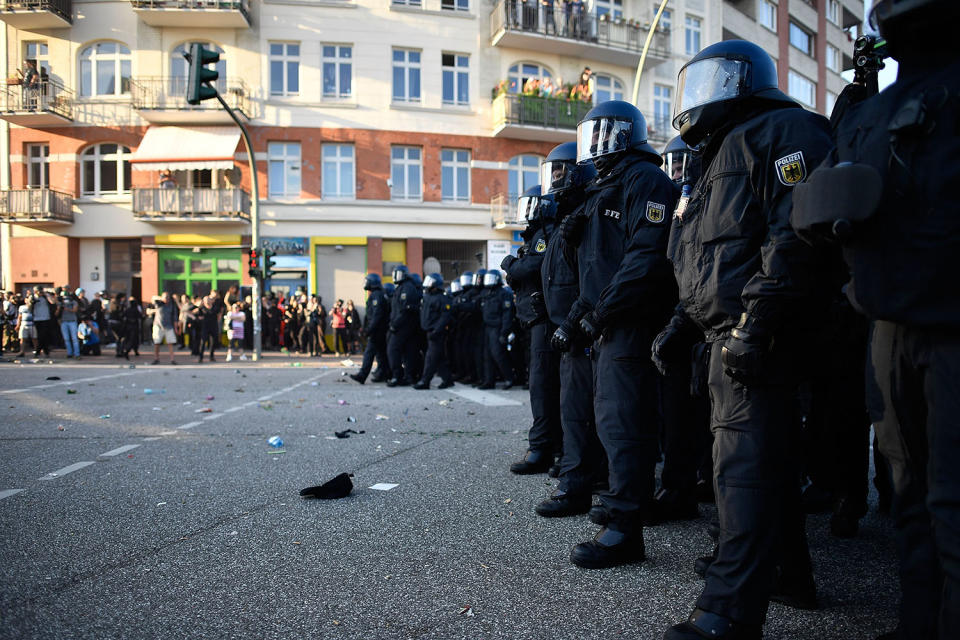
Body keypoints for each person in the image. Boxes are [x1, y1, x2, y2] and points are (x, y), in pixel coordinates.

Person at [790, 1, 960, 635]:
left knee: (948, 505)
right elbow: (829, 201)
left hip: (948, 333)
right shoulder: (871, 110)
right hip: (888, 327)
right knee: (911, 501)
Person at [661, 40, 834, 639]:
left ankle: (728, 613)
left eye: (712, 80)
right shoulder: (714, 156)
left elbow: (795, 237)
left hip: (761, 337)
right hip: (728, 337)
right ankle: (788, 573)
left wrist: (753, 326)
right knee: (763, 466)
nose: (698, 97)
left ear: (744, 80)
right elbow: (707, 261)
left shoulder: (782, 130)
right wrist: (682, 324)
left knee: (743, 472)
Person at [552, 100, 678, 570]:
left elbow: (643, 259)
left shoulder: (647, 181)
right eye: (591, 135)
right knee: (609, 420)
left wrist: (598, 314)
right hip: (608, 321)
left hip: (631, 322)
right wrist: (577, 316)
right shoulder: (604, 189)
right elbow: (596, 273)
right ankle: (622, 503)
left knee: (624, 424)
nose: (597, 145)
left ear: (628, 135)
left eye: (606, 133)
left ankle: (626, 530)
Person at [533, 141, 607, 519]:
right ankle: (583, 474)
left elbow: (592, 276)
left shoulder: (586, 213)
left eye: (562, 170)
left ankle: (576, 485)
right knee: (575, 410)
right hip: (568, 331)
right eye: (553, 171)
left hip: (580, 331)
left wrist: (574, 320)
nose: (556, 178)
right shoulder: (569, 214)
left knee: (579, 412)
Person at [504, 185, 562, 475]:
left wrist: (511, 264)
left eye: (532, 205)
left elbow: (527, 270)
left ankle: (543, 448)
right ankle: (551, 447)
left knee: (543, 386)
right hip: (533, 319)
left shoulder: (546, 234)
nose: (527, 212)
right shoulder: (535, 236)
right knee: (543, 385)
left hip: (544, 319)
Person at [413, 273, 455, 390]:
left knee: (430, 358)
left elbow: (445, 317)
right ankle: (448, 380)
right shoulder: (427, 297)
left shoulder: (443, 298)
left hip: (436, 333)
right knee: (439, 358)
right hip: (429, 332)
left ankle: (425, 381)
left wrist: (437, 330)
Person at [351, 274, 391, 384]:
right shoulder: (378, 294)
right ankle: (385, 374)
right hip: (380, 330)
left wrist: (368, 330)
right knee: (381, 354)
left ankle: (362, 375)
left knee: (369, 353)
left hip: (377, 330)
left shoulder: (376, 296)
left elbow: (376, 315)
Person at [478, 269, 514, 390]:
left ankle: (509, 378)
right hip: (487, 328)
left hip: (497, 328)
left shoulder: (503, 293)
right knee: (487, 355)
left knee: (498, 354)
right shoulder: (486, 293)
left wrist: (504, 332)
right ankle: (489, 381)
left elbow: (507, 315)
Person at [386, 265, 422, 387]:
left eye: (397, 273)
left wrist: (395, 325)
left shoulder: (407, 288)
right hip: (402, 326)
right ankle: (408, 376)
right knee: (408, 352)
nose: (395, 276)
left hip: (402, 327)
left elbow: (405, 311)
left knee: (393, 350)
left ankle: (398, 376)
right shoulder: (401, 287)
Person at [151, 291, 178, 365]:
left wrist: (176, 328)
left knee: (170, 343)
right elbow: (153, 298)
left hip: (169, 326)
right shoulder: (158, 303)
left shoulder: (172, 305)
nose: (166, 298)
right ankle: (156, 359)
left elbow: (175, 317)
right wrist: (161, 298)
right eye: (165, 297)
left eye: (167, 297)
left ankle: (172, 359)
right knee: (157, 343)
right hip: (158, 325)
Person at [58, 288, 80, 359]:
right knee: (66, 339)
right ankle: (69, 353)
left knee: (74, 339)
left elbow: (75, 310)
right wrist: (59, 307)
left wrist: (67, 308)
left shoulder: (73, 302)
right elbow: (57, 313)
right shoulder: (61, 303)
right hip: (64, 322)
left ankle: (77, 354)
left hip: (72, 321)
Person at [197, 295, 219, 363]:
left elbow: (219, 314)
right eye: (206, 300)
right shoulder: (201, 308)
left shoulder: (215, 307)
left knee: (213, 343)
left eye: (208, 300)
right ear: (203, 301)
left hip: (213, 326)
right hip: (205, 327)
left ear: (211, 301)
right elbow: (198, 316)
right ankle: (201, 357)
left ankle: (211, 356)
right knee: (203, 342)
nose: (207, 301)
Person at [120, 296, 143, 360]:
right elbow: (140, 317)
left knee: (128, 339)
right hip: (134, 327)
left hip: (128, 327)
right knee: (133, 340)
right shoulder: (135, 310)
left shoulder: (128, 310)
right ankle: (127, 350)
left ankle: (125, 350)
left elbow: (122, 315)